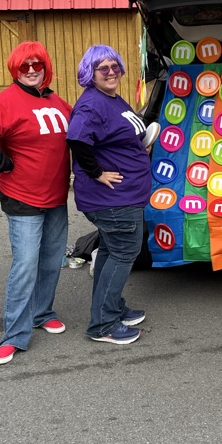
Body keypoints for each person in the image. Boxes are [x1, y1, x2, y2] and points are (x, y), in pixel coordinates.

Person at [0, 42, 72, 366]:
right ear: (15, 69)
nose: (30, 70)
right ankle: (14, 335)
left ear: (45, 66)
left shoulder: (57, 102)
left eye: (36, 64)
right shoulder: (6, 101)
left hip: (56, 197)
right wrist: (3, 163)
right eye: (24, 65)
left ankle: (42, 312)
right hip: (23, 198)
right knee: (25, 265)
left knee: (53, 261)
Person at [66, 45, 150, 346]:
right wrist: (97, 172)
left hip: (123, 196)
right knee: (124, 253)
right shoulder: (92, 104)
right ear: (91, 73)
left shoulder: (111, 98)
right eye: (104, 68)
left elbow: (116, 136)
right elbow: (77, 139)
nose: (112, 72)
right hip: (113, 199)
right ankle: (103, 324)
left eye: (115, 66)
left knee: (112, 252)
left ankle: (111, 308)